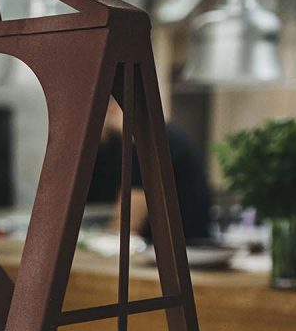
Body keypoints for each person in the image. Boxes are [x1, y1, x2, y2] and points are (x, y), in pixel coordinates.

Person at [88, 98, 214, 243]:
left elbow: (126, 225)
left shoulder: (147, 142)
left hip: (183, 255)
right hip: (186, 252)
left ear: (111, 108)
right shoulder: (159, 135)